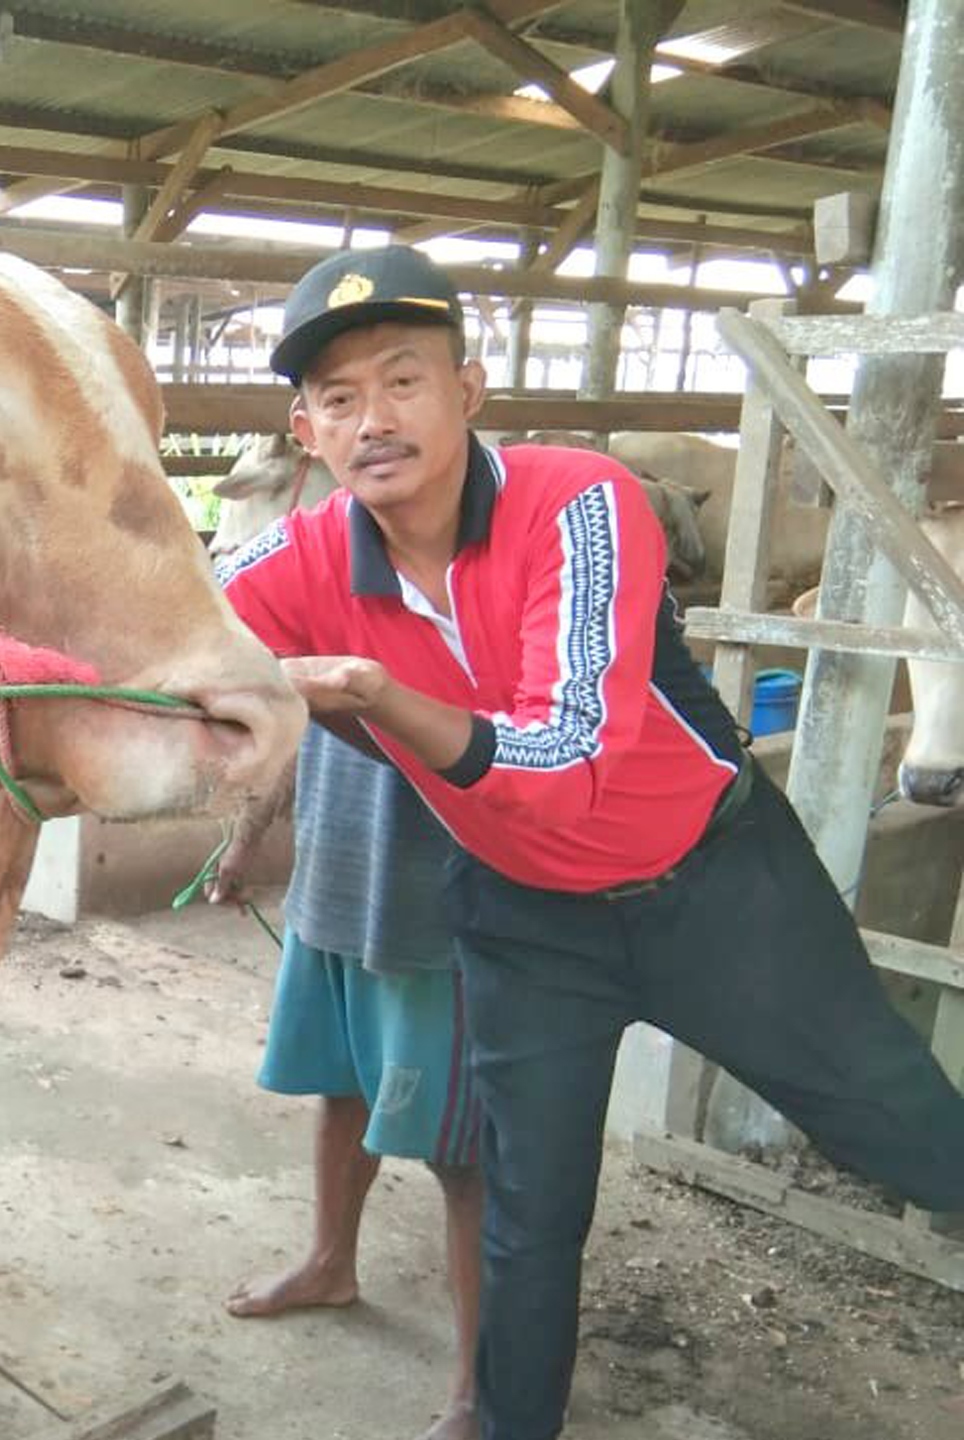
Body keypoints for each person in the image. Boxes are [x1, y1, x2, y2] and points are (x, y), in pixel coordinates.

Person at [215, 242, 964, 1440]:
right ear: (306, 431)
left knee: (900, 1121)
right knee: (528, 1209)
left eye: (404, 379)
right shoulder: (295, 561)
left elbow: (567, 760)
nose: (375, 419)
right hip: (525, 921)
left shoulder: (580, 500)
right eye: (341, 397)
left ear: (471, 390)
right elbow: (155, 641)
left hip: (715, 890)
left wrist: (377, 692)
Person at [219, 725, 482, 1440]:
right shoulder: (322, 609)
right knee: (341, 1087)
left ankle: (478, 1390)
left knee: (463, 1155)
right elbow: (297, 715)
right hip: (333, 879)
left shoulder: (470, 609)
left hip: (433, 908)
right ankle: (330, 1264)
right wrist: (249, 836)